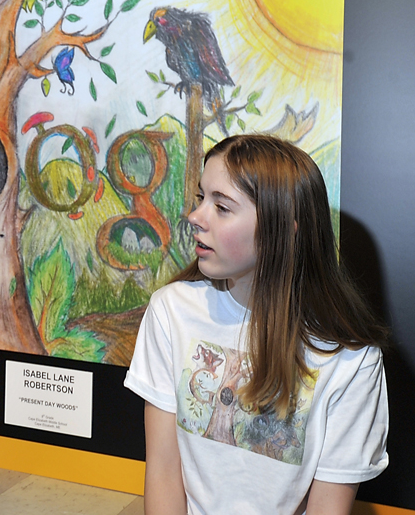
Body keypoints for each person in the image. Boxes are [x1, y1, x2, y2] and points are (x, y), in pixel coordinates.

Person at [125, 135, 389, 515]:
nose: (196, 217)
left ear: (282, 229)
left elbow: (328, 508)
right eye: (202, 198)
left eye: (222, 206)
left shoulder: (351, 360)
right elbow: (164, 473)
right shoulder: (171, 311)